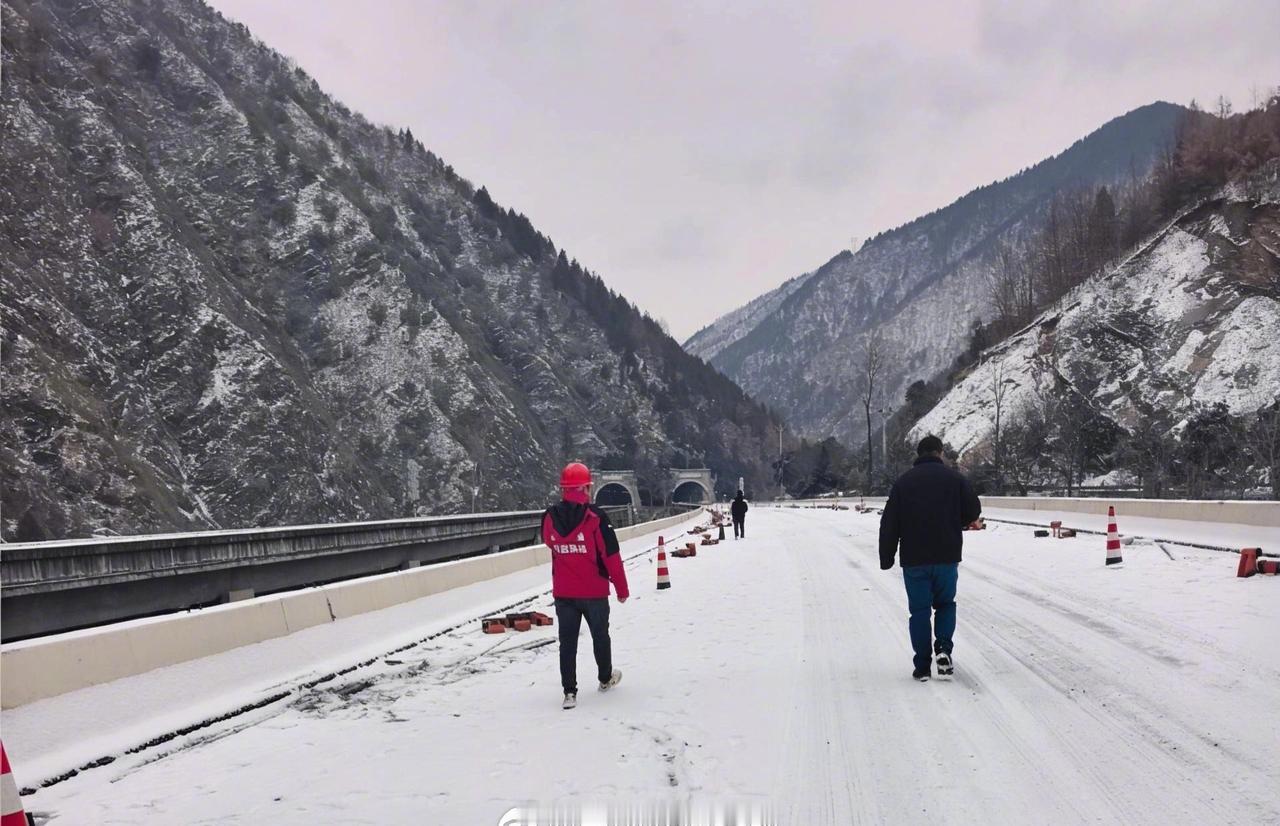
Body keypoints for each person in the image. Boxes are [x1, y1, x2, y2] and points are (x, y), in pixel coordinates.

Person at [878, 435, 981, 682]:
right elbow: (972, 511)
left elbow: (890, 523)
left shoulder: (903, 483)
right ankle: (943, 649)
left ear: (919, 453)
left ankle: (923, 666)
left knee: (920, 611)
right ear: (940, 452)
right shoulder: (955, 479)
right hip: (946, 555)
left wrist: (887, 556)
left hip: (914, 558)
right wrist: (954, 520)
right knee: (946, 604)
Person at [542, 461, 628, 709]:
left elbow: (550, 541)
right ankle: (604, 679)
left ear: (564, 490)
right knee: (600, 636)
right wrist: (621, 589)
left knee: (567, 642)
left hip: (564, 592)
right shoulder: (596, 517)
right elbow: (611, 556)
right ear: (585, 488)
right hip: (594, 592)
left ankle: (569, 692)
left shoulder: (549, 517)